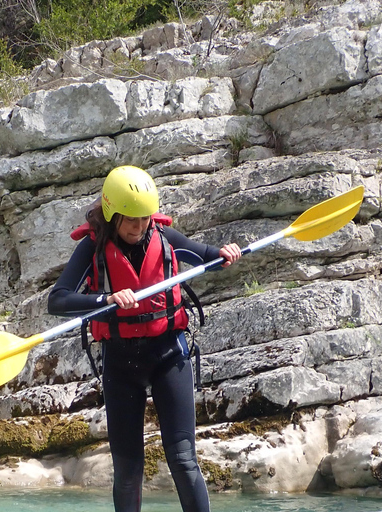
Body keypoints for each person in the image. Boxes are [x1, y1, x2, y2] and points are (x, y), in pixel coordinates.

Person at [48, 165, 241, 512]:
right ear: (111, 215)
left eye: (144, 219)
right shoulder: (93, 248)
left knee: (183, 459)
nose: (139, 228)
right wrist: (103, 301)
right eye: (131, 220)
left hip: (168, 353)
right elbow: (58, 300)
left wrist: (225, 254)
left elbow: (206, 256)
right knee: (128, 471)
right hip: (121, 365)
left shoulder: (162, 235)